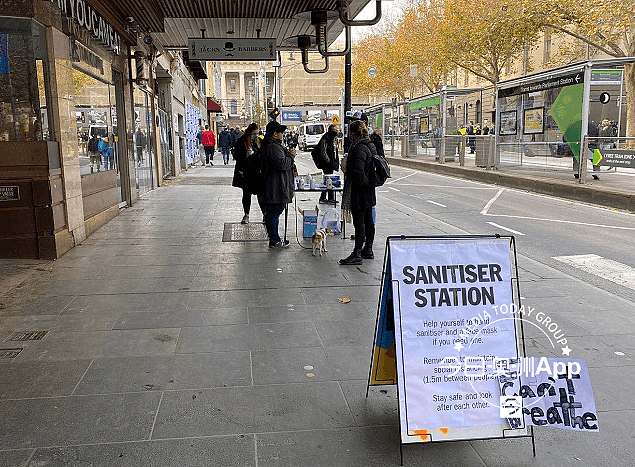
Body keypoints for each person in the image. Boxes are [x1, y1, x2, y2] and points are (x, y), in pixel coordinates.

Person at [339, 120, 376, 265]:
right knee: (368, 220)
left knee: (359, 222)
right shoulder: (369, 144)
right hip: (369, 189)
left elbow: (358, 172)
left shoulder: (358, 147)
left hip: (360, 190)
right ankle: (368, 249)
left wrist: (346, 171)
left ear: (353, 134)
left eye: (350, 133)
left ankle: (357, 253)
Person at [258, 121, 296, 248]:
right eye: (281, 133)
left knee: (273, 212)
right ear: (275, 134)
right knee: (274, 212)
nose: (282, 135)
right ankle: (274, 240)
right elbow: (282, 164)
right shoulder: (273, 147)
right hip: (275, 187)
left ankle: (275, 238)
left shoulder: (271, 145)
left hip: (273, 185)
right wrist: (291, 157)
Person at [232, 123, 261, 224]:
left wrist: (255, 153)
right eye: (254, 133)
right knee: (246, 194)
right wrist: (246, 155)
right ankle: (246, 214)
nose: (255, 136)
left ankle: (264, 214)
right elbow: (236, 155)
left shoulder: (259, 141)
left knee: (260, 194)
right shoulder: (242, 141)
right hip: (246, 172)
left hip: (257, 172)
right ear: (250, 132)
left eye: (257, 134)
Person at [314, 124, 340, 205]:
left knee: (328, 181)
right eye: (335, 131)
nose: (336, 133)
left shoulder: (333, 138)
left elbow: (335, 151)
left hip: (331, 163)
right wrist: (328, 161)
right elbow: (323, 152)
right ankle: (330, 198)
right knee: (329, 180)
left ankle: (323, 197)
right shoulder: (326, 138)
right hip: (327, 164)